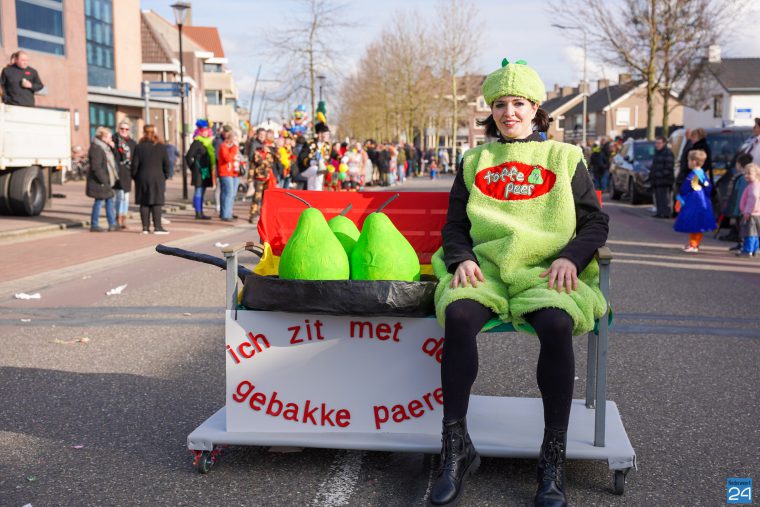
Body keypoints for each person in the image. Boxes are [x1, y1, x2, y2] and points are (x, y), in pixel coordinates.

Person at [429, 59, 608, 507]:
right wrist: (461, 258)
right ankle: (455, 448)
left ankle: (552, 459)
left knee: (557, 323)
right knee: (458, 315)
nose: (509, 112)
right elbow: (455, 226)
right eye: (500, 104)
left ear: (535, 108)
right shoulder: (474, 160)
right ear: (491, 111)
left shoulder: (564, 157)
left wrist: (570, 257)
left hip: (545, 269)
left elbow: (594, 223)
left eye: (518, 103)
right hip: (487, 269)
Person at [673, 149, 716, 253]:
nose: (687, 163)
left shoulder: (692, 175)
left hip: (693, 201)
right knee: (698, 223)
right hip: (703, 201)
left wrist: (680, 198)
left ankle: (693, 245)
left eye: (688, 160)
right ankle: (694, 243)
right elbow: (709, 187)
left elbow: (685, 188)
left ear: (693, 162)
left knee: (693, 222)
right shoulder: (703, 173)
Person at [132, 125, 171, 234]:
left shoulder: (139, 147)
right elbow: (167, 164)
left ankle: (145, 228)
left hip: (142, 177)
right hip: (158, 178)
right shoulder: (161, 147)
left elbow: (134, 165)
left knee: (144, 203)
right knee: (156, 202)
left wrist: (135, 177)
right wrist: (165, 176)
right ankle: (158, 227)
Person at [86, 127, 119, 232]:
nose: (111, 139)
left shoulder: (105, 147)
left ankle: (112, 223)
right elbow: (96, 167)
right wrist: (104, 180)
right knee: (99, 201)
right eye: (109, 137)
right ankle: (94, 224)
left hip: (105, 180)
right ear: (103, 137)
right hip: (99, 181)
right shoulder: (97, 148)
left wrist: (113, 148)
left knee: (109, 200)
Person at [724, 153, 754, 250]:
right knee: (741, 227)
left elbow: (740, 195)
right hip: (741, 208)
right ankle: (741, 244)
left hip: (740, 209)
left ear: (739, 164)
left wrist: (737, 209)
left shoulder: (742, 178)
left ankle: (742, 245)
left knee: (742, 228)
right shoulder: (743, 177)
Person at [185, 126, 215, 220]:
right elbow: (188, 156)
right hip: (198, 171)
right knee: (198, 191)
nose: (205, 133)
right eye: (203, 131)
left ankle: (201, 211)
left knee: (202, 191)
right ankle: (198, 212)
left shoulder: (208, 143)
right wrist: (193, 167)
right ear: (199, 132)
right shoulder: (197, 142)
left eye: (206, 131)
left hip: (206, 171)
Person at [112, 121, 136, 229]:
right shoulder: (114, 140)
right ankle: (117, 217)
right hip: (117, 172)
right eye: (122, 128)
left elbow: (134, 158)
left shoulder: (132, 143)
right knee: (118, 196)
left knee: (125, 197)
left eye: (126, 129)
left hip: (127, 172)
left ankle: (124, 218)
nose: (124, 131)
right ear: (118, 129)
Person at [736, 163, 760, 257]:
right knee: (756, 233)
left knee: (750, 233)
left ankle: (747, 250)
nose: (746, 175)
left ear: (757, 174)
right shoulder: (755, 185)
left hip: (751, 214)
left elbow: (753, 199)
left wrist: (748, 211)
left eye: (749, 173)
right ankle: (754, 250)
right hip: (757, 214)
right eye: (745, 173)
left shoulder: (753, 187)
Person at [217, 128, 241, 222]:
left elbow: (238, 158)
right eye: (235, 138)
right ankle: (226, 214)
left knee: (232, 194)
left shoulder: (234, 147)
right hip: (225, 173)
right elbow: (227, 158)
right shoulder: (224, 146)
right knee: (228, 193)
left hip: (234, 172)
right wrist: (234, 149)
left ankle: (228, 211)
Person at [651, 136, 675, 218]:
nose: (657, 145)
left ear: (664, 143)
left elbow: (669, 167)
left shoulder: (668, 153)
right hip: (657, 180)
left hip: (664, 180)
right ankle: (660, 212)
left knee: (664, 197)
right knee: (658, 197)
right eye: (656, 143)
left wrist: (660, 174)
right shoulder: (657, 153)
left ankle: (665, 213)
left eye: (659, 143)